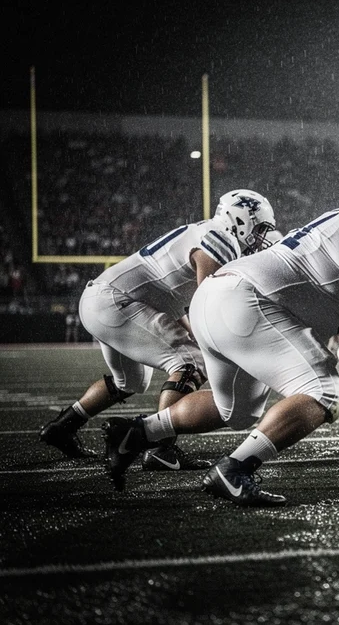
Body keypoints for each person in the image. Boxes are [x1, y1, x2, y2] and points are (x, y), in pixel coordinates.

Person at [101, 166, 339, 506]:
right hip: (249, 302)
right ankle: (234, 469)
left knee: (238, 411)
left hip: (218, 298)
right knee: (325, 392)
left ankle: (137, 432)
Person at [40, 189, 277, 472]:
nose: (261, 236)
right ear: (239, 219)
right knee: (190, 362)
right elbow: (209, 305)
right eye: (260, 228)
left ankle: (63, 426)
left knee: (130, 382)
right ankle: (161, 449)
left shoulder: (204, 232)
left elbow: (178, 306)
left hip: (107, 300)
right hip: (118, 302)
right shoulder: (221, 239)